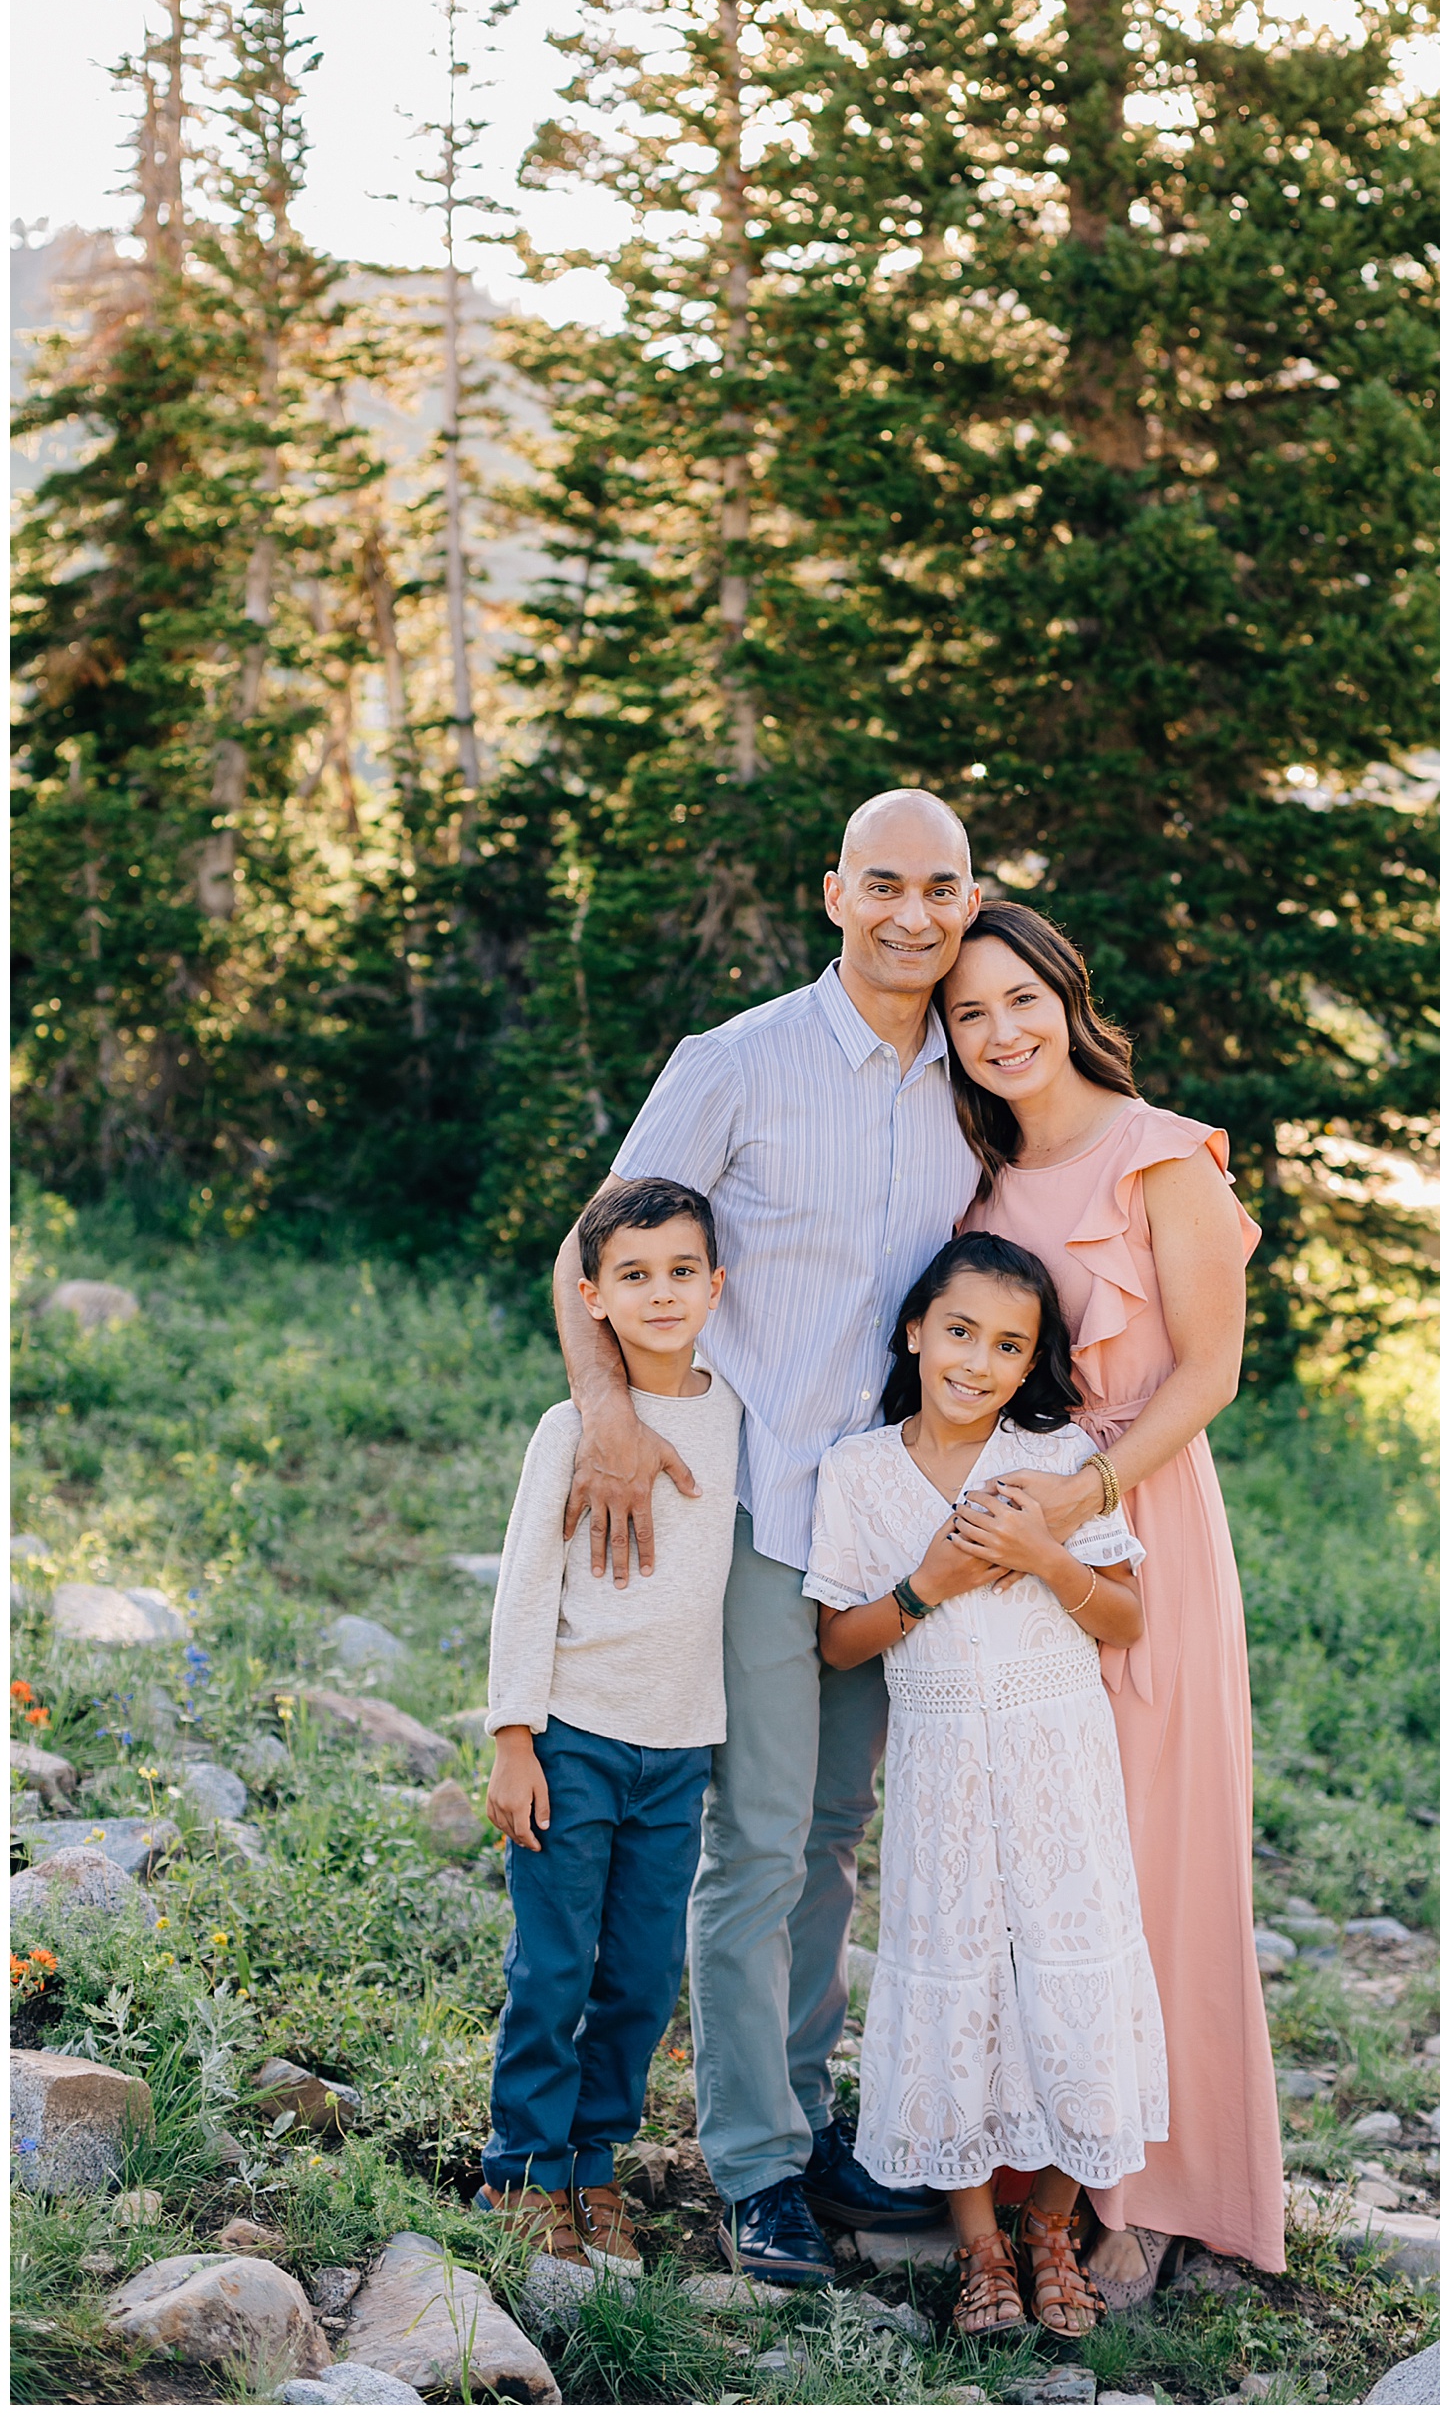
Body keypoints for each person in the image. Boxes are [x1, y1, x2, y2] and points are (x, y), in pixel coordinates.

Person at [548, 791, 1014, 2285]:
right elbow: (591, 1244)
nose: (910, 915)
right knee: (754, 1838)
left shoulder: (977, 1085)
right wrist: (610, 1416)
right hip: (752, 1502)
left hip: (893, 1518)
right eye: (882, 885)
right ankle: (750, 2167)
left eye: (939, 889)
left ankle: (804, 2125)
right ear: (833, 892)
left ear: (969, 897)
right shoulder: (735, 1059)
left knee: (827, 1837)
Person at [940, 899, 1287, 2297]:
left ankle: (1149, 2185)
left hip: (1145, 1522)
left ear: (1066, 994)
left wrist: (1083, 1492)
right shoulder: (975, 1183)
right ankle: (1025, 2169)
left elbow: (1206, 1371)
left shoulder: (1164, 1156)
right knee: (1032, 1850)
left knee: (1151, 1843)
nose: (1001, 1030)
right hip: (1012, 1550)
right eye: (970, 1014)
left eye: (1020, 996)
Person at [805, 1234, 1165, 2339]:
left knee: (1071, 1972)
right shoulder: (859, 1472)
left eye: (1008, 1344)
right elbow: (837, 1640)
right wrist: (933, 1580)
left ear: (1029, 1364)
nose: (978, 1359)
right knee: (954, 1970)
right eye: (959, 1331)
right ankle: (977, 2247)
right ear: (915, 1329)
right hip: (943, 1763)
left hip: (1060, 1758)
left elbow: (1124, 1615)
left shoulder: (1053, 1455)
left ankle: (1053, 2226)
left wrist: (1047, 1553)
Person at [480, 1175, 742, 2267]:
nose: (662, 1291)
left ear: (718, 1284)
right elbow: (525, 1579)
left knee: (639, 1974)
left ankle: (596, 2166)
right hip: (574, 1737)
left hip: (678, 1749)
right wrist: (512, 1736)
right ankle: (524, 2169)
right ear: (592, 1295)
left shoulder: (735, 1415)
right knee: (553, 1965)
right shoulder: (573, 1427)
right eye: (633, 1274)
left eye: (682, 1270)